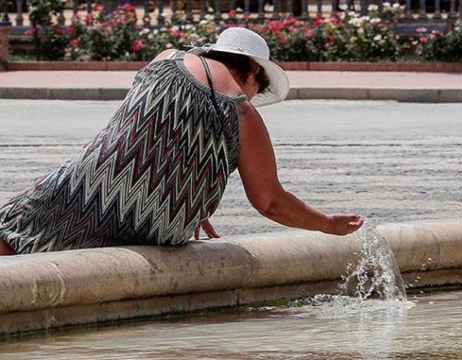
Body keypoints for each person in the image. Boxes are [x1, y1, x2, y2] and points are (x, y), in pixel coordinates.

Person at [0, 27, 363, 256]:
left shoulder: (165, 60)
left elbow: (139, 132)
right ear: (251, 71)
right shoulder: (243, 116)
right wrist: (327, 224)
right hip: (162, 226)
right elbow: (270, 202)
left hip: (89, 191)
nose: (252, 96)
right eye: (259, 87)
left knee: (18, 225)